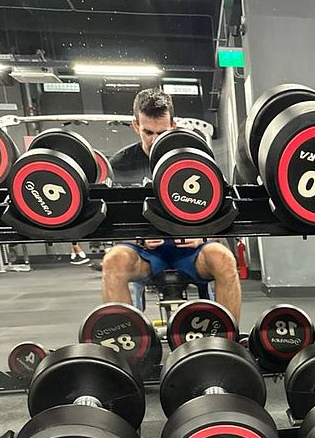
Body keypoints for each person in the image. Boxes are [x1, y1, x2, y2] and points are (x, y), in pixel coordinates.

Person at [102, 88, 241, 323]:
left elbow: (217, 209)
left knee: (224, 259)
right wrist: (139, 239)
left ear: (174, 125)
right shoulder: (120, 164)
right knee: (113, 262)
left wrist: (202, 236)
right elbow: (114, 219)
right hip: (145, 253)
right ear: (136, 126)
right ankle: (126, 340)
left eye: (162, 132)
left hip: (190, 250)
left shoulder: (195, 158)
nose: (155, 140)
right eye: (148, 132)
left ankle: (229, 337)